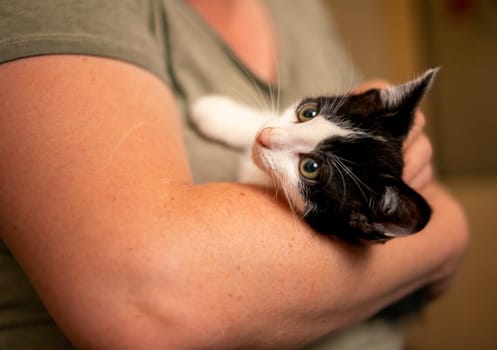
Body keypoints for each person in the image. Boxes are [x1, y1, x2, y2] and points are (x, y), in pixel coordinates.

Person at [0, 0, 469, 349]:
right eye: (305, 113)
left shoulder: (298, 10)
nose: (268, 136)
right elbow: (149, 299)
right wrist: (446, 238)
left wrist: (447, 230)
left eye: (309, 166)